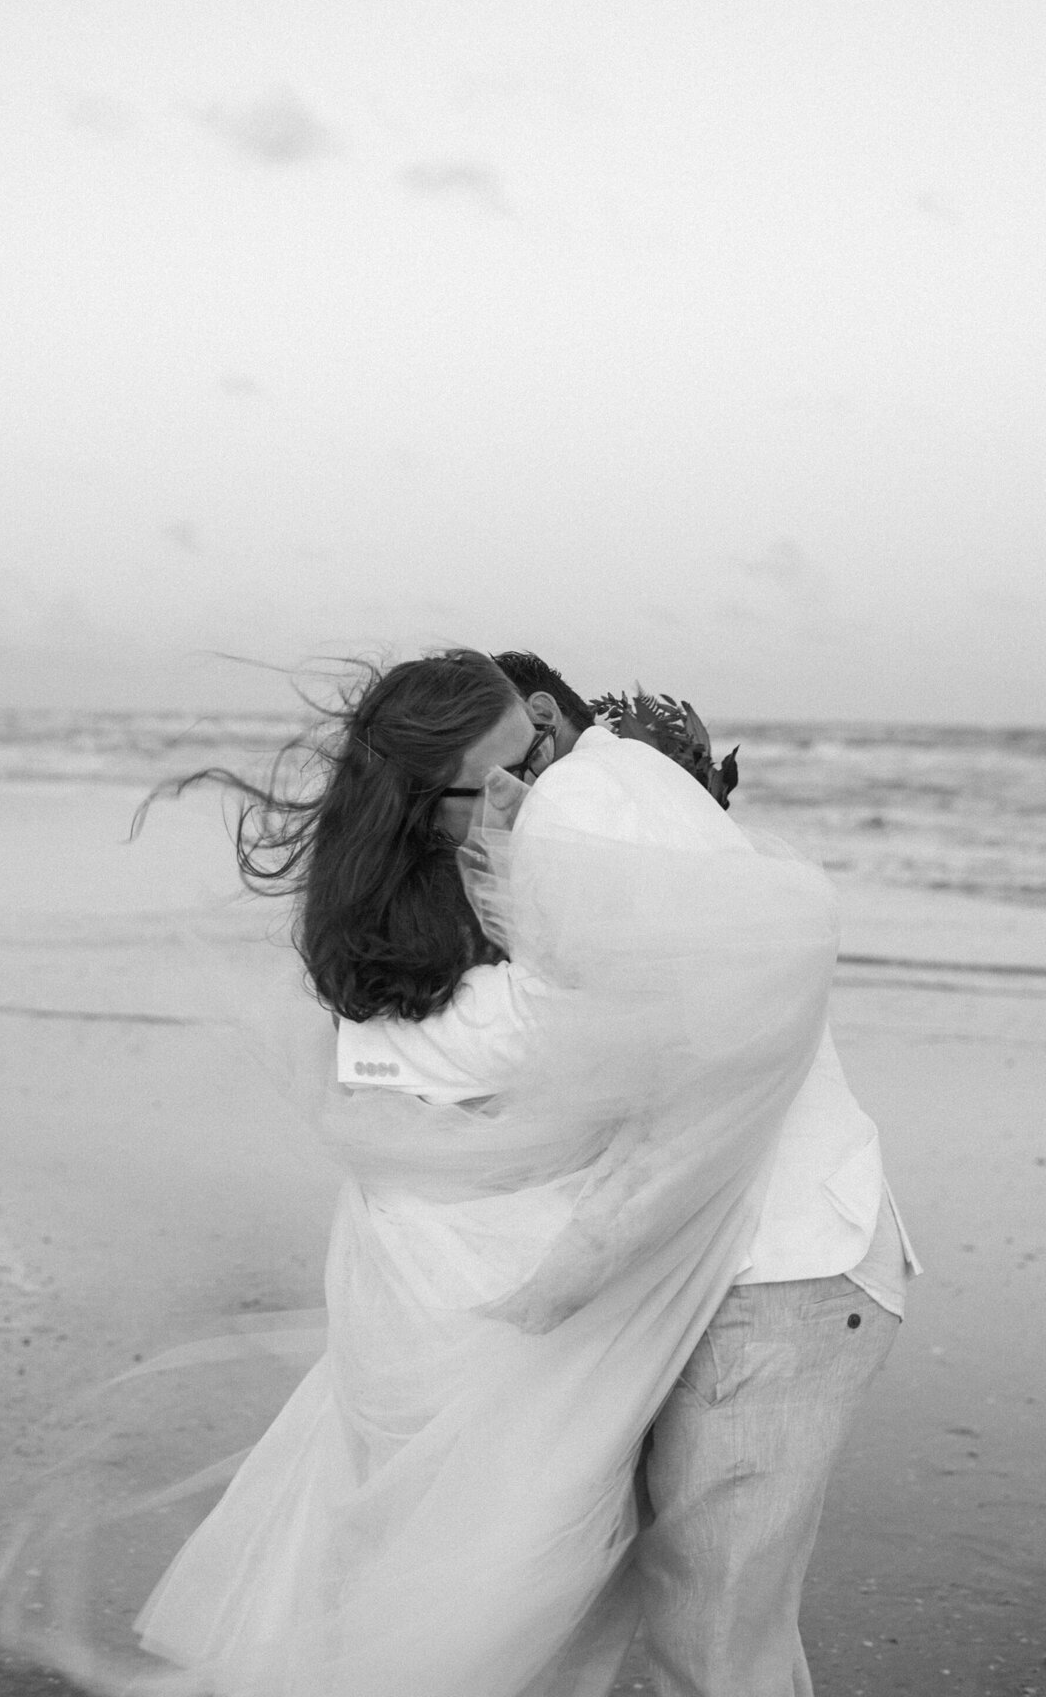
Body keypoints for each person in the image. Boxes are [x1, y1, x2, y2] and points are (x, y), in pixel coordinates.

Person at [0, 648, 846, 1697]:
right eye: (492, 783)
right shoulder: (534, 924)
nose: (517, 801)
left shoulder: (377, 946)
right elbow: (645, 1058)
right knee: (537, 1590)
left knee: (435, 1561)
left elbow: (450, 1083)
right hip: (502, 1283)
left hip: (415, 1272)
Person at [344, 649, 920, 1696]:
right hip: (743, 1269)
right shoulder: (610, 790)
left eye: (461, 792)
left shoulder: (584, 812)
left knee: (710, 1650)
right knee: (708, 1636)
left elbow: (702, 1041)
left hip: (775, 1272)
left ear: (534, 721)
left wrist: (569, 1272)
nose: (468, 823)